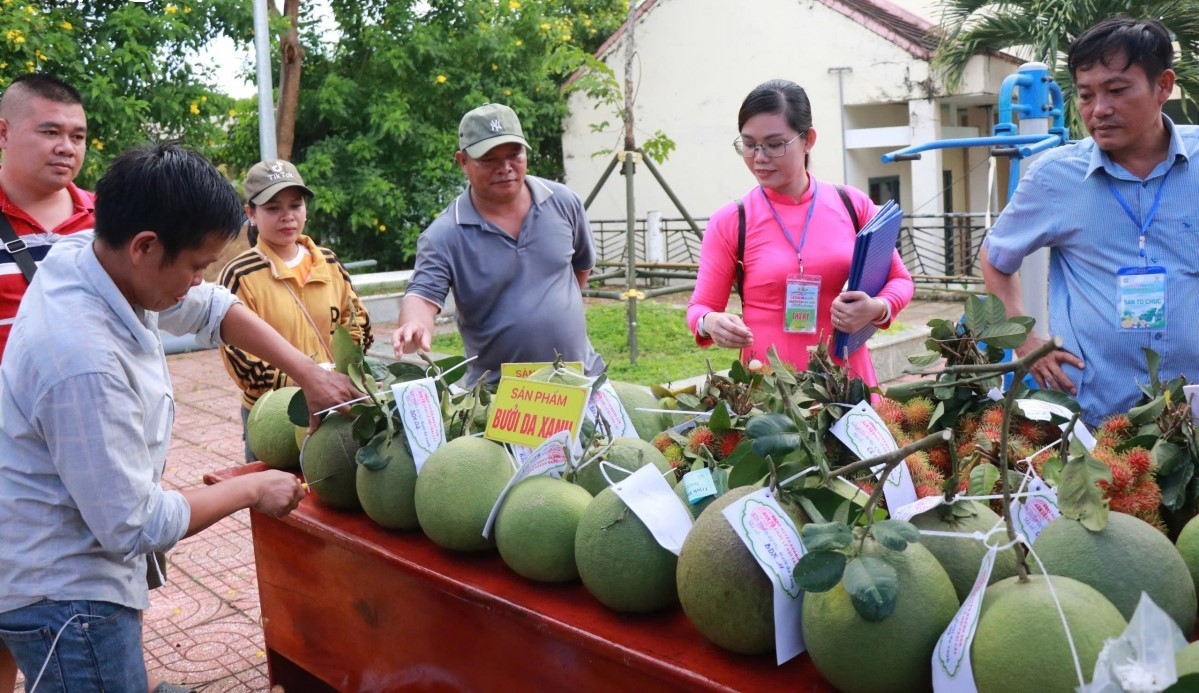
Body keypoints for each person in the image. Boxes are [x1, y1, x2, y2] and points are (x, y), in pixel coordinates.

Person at [0, 144, 361, 690]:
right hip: (66, 595)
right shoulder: (82, 359)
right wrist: (251, 490)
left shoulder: (93, 253)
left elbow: (212, 308)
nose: (198, 281)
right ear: (146, 246)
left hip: (64, 556)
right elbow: (133, 524)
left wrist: (309, 373)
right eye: (195, 266)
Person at [981, 17, 1198, 426]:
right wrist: (1023, 341)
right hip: (1098, 417)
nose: (1099, 110)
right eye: (1086, 95)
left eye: (1117, 90)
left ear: (1163, 86)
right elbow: (995, 257)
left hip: (1194, 416)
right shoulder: (1054, 177)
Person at [687, 79, 913, 385]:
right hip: (768, 393)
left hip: (846, 384)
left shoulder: (852, 204)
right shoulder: (730, 220)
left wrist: (876, 308)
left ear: (808, 140)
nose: (760, 157)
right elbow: (700, 307)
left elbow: (900, 280)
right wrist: (709, 322)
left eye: (774, 144)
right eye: (749, 144)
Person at [391, 102, 604, 385]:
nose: (505, 168)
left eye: (514, 154)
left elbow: (580, 268)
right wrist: (414, 324)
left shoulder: (563, 202)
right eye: (489, 159)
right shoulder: (444, 234)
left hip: (581, 379)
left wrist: (549, 310)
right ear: (462, 161)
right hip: (501, 396)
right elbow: (422, 296)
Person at [220, 159, 372, 461]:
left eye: (295, 205)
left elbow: (359, 325)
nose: (287, 216)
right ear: (251, 213)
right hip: (273, 414)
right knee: (274, 499)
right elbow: (241, 360)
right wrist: (307, 381)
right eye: (273, 208)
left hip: (335, 405)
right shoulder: (239, 274)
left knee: (330, 491)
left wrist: (337, 377)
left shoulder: (328, 262)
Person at [0, 73, 94, 360]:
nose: (67, 148)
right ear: (3, 133)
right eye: (50, 132)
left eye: (77, 137)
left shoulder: (112, 218)